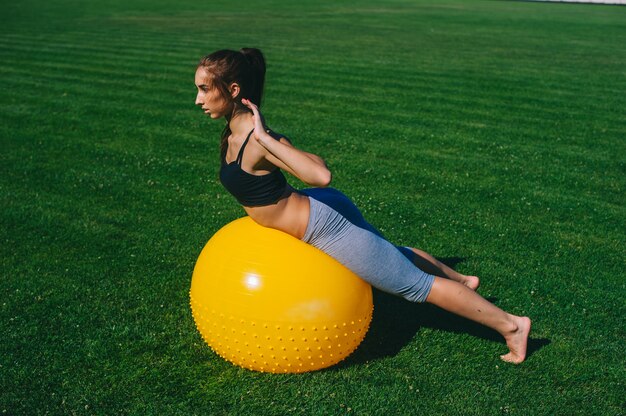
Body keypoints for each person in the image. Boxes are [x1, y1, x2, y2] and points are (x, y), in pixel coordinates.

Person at [194, 48, 531, 364]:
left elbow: (320, 173)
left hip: (323, 227)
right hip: (317, 207)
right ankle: (462, 280)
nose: (198, 99)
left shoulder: (256, 139)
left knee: (415, 286)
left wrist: (267, 138)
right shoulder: (236, 129)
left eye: (205, 89)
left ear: (233, 89)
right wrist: (268, 137)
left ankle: (511, 326)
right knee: (391, 252)